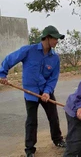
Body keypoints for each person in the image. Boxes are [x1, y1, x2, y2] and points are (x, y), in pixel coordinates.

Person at [0, 25, 66, 157]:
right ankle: (30, 149)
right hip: (30, 92)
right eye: (55, 38)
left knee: (53, 117)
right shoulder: (29, 51)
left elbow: (53, 78)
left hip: (46, 91)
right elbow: (10, 59)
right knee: (31, 120)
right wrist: (2, 74)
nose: (57, 41)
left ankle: (58, 140)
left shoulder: (55, 58)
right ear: (47, 38)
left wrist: (47, 92)